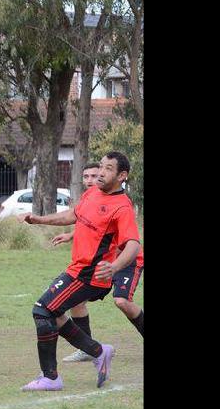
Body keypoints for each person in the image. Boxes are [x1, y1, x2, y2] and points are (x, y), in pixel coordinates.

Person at [17, 151, 141, 391]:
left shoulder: (122, 207)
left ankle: (50, 377)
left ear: (121, 175)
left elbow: (134, 246)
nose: (101, 173)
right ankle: (97, 351)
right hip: (77, 268)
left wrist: (115, 266)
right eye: (101, 167)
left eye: (108, 169)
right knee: (54, 313)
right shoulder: (93, 192)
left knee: (42, 310)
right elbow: (73, 215)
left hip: (90, 274)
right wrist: (39, 220)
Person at [53, 163, 145, 362]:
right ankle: (87, 349)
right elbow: (94, 226)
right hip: (104, 263)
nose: (90, 180)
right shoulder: (93, 197)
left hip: (126, 261)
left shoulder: (120, 203)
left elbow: (126, 239)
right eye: (86, 176)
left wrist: (115, 266)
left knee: (122, 301)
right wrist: (71, 235)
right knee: (76, 301)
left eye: (95, 176)